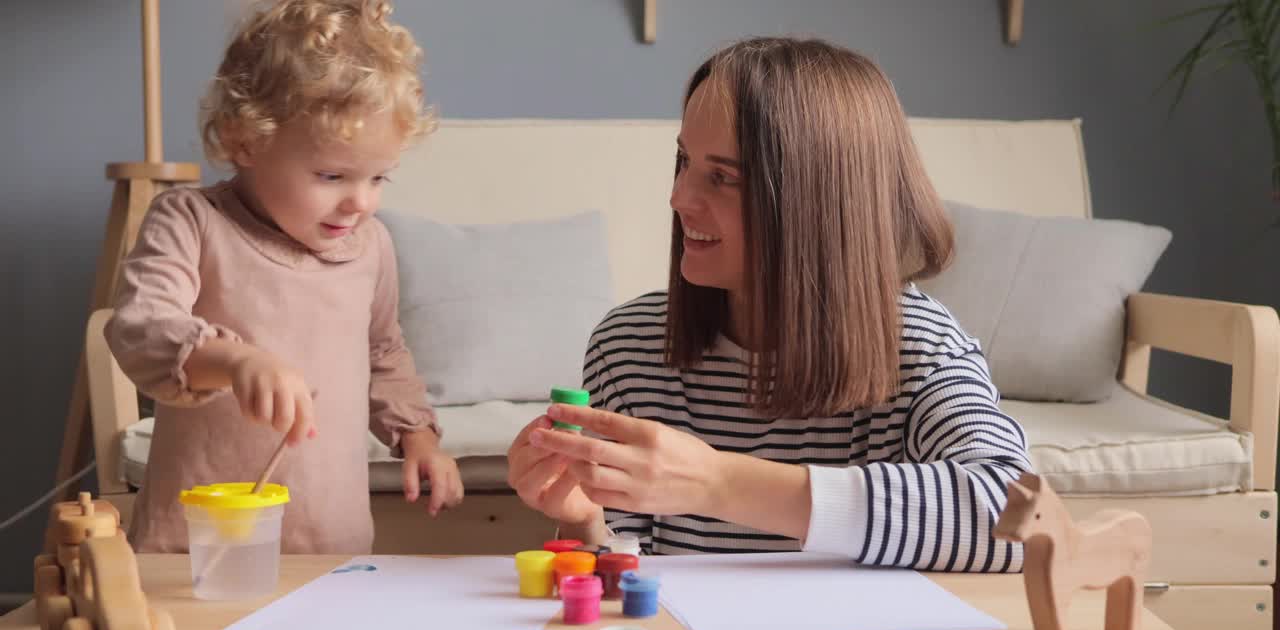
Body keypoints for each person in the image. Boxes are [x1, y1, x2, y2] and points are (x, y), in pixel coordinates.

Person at [506, 37, 1031, 571]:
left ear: (817, 199)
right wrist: (581, 519)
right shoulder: (630, 346)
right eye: (684, 161)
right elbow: (623, 566)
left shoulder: (918, 346)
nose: (679, 197)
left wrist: (718, 482)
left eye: (722, 176)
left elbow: (1017, 519)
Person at [105, 0, 462, 554]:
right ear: (245, 141)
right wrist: (234, 360)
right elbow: (140, 328)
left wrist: (417, 437)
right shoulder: (191, 222)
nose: (360, 202)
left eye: (378, 178)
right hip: (194, 543)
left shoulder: (372, 247)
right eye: (332, 175)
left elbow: (384, 352)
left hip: (328, 540)